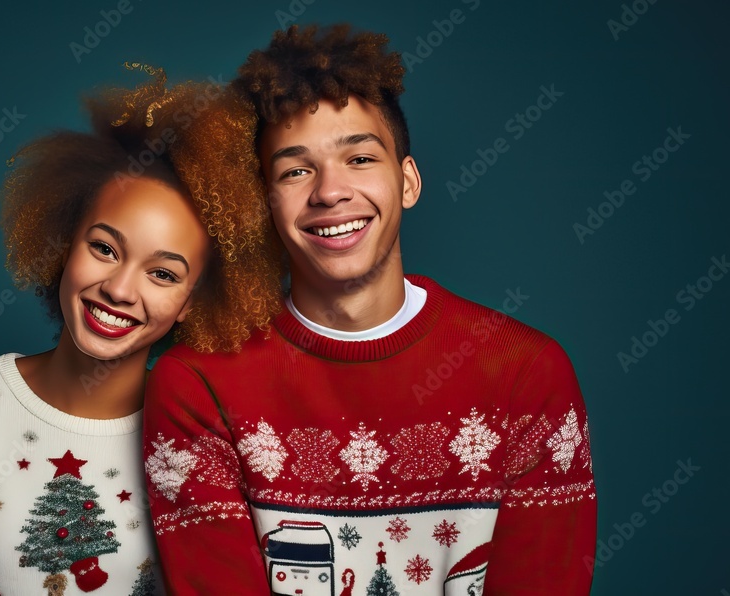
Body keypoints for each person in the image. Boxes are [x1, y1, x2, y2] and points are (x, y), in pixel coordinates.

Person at [143, 25, 596, 594]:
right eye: (295, 170)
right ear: (264, 203)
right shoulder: (196, 386)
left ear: (407, 182)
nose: (330, 192)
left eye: (359, 157)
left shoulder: (528, 373)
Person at [0, 68, 282, 595]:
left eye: (163, 273)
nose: (121, 289)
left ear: (193, 302)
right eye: (104, 248)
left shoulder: (203, 438)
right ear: (65, 241)